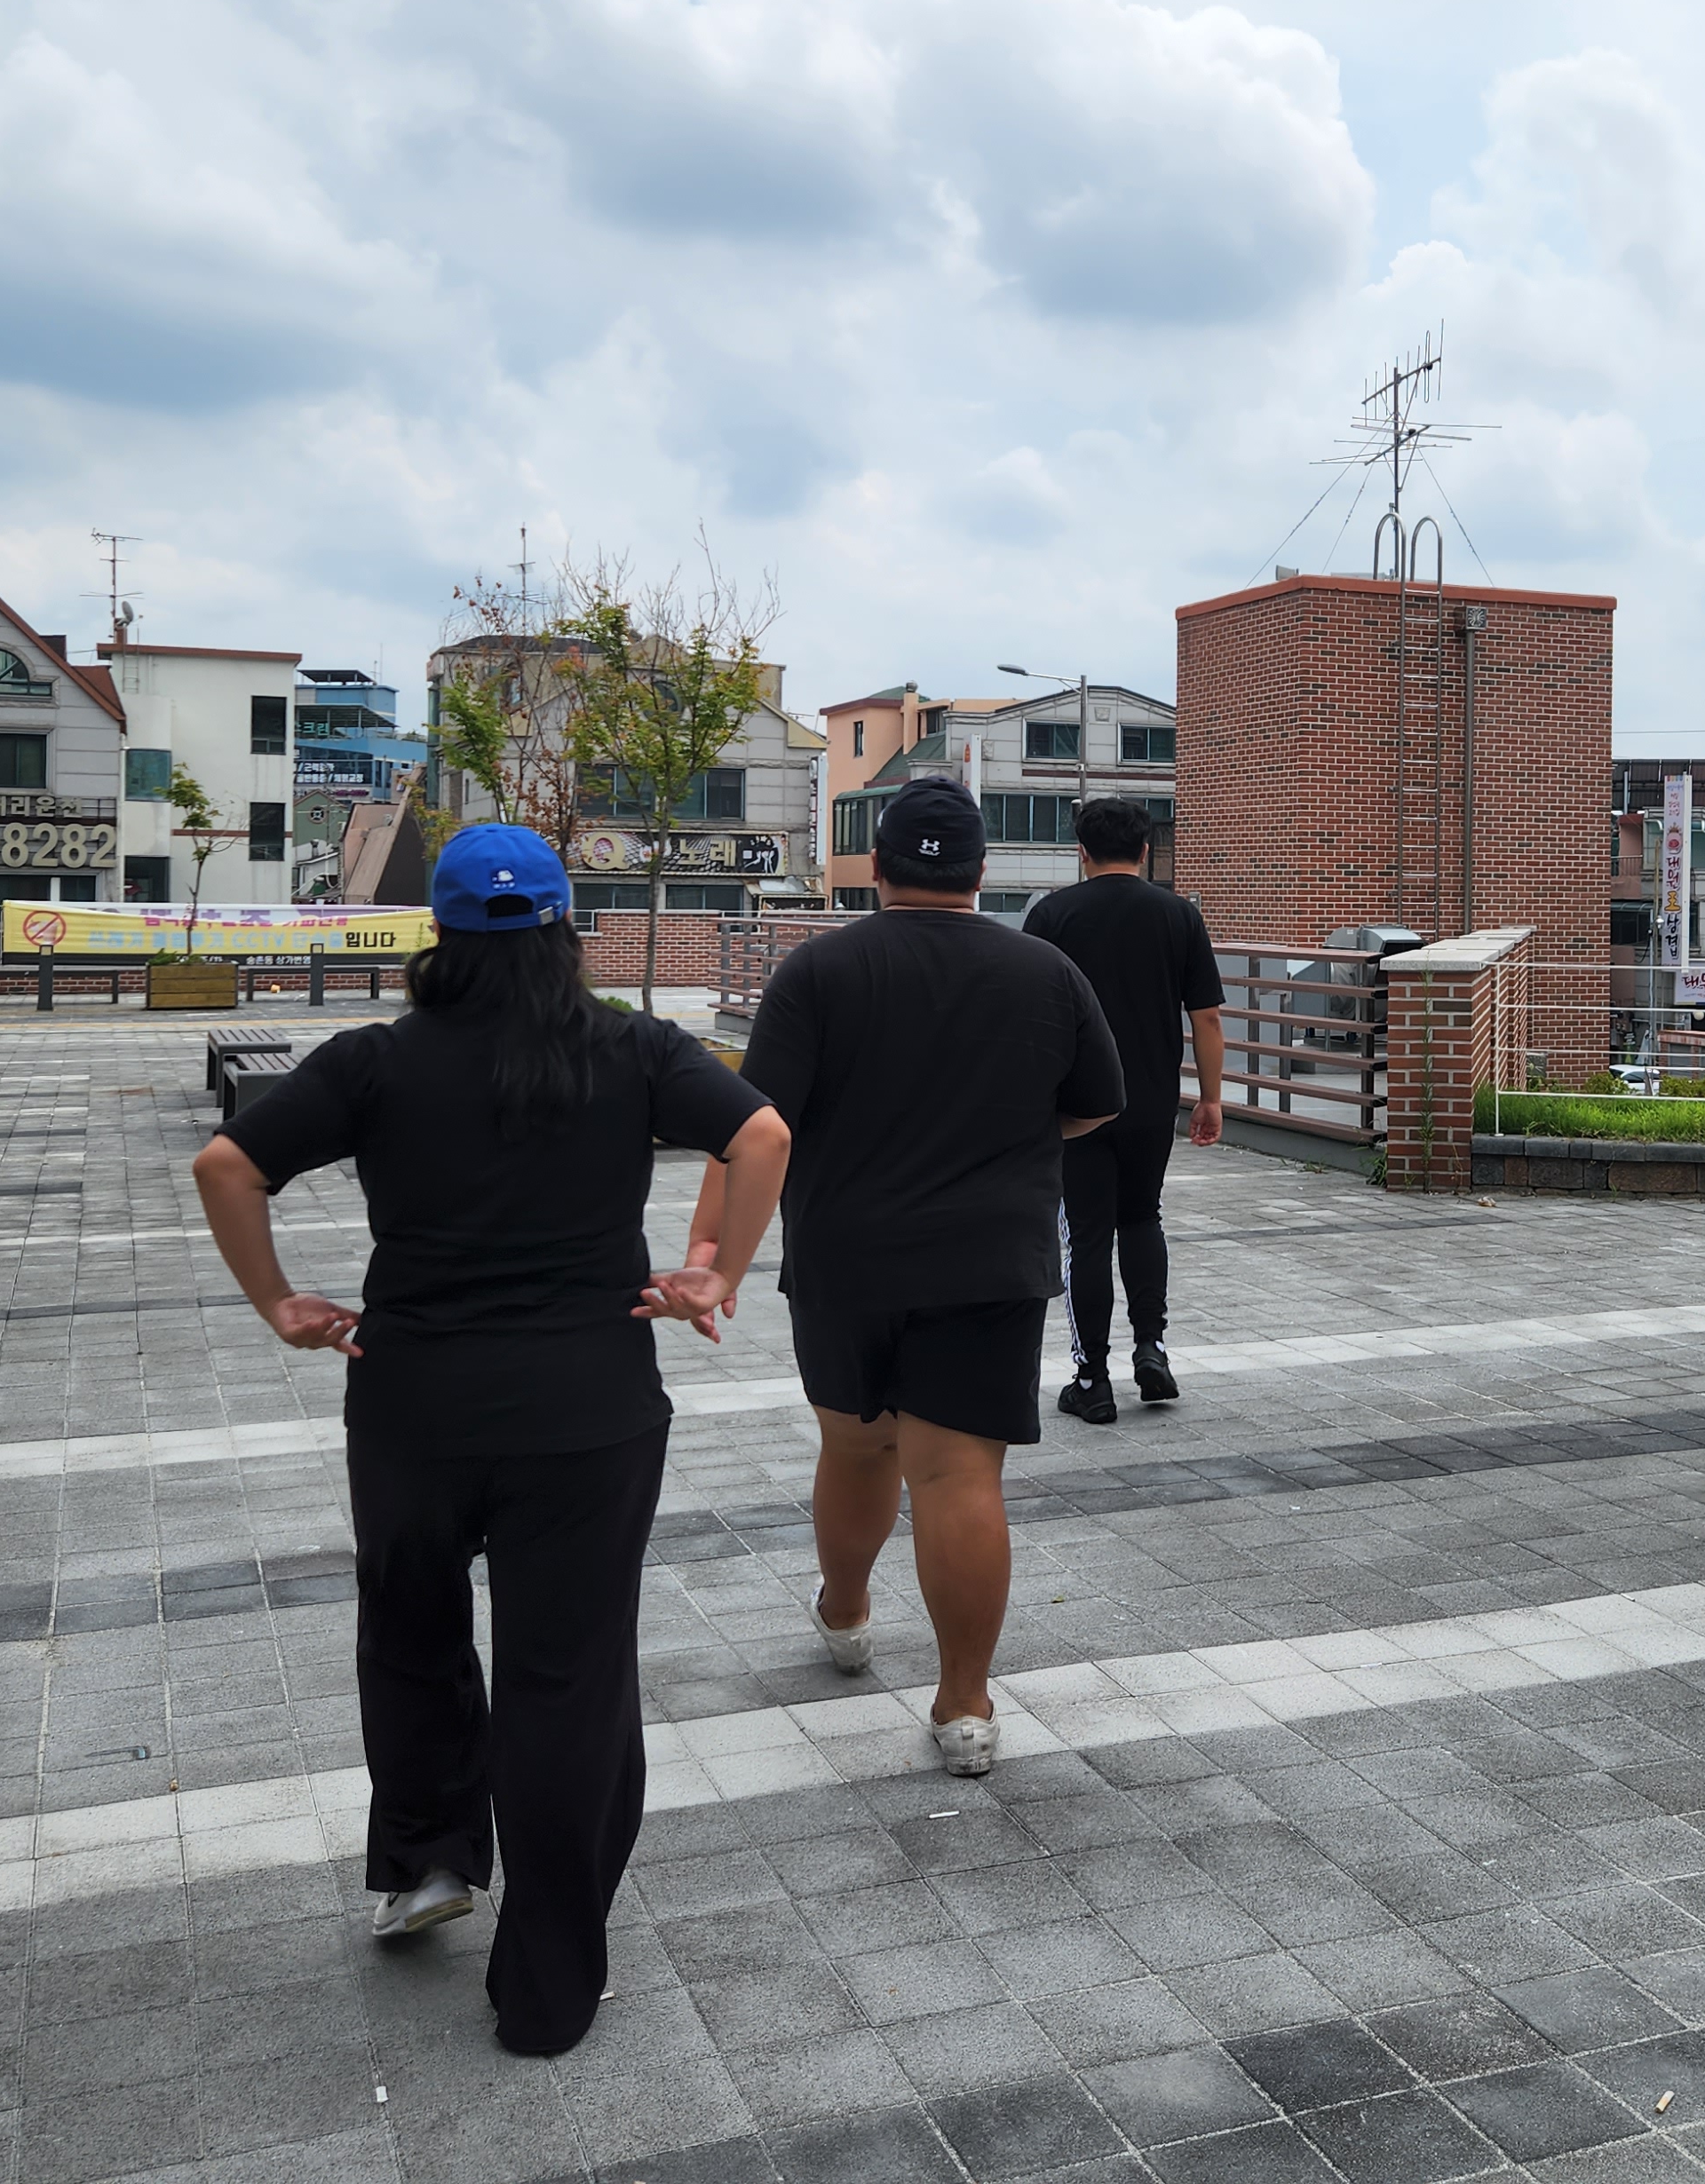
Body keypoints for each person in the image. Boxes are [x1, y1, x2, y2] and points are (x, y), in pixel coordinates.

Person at [191, 824, 788, 2058]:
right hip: (588, 1411)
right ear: (565, 929)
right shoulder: (633, 1048)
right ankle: (547, 1990)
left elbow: (227, 1164)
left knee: (410, 1633)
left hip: (413, 1404)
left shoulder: (375, 1061)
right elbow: (762, 1136)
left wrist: (280, 1303)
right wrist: (713, 1273)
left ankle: (428, 1860)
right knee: (567, 1680)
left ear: (439, 937)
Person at [719, 773, 1124, 1775]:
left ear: (877, 867)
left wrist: (714, 1260)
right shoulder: (1046, 971)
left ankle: (847, 1614)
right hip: (989, 1257)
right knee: (958, 1474)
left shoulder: (819, 970)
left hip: (845, 1254)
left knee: (857, 1448)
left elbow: (759, 1125)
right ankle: (965, 1706)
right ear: (982, 870)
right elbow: (1094, 1105)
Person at [1019, 795, 1225, 1422]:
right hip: (1151, 1101)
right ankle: (1151, 1348)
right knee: (1142, 1217)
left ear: (1081, 851)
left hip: (1075, 1107)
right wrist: (1210, 1097)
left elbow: (1028, 1017)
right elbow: (1207, 1018)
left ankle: (1092, 1380)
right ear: (1145, 849)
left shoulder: (1052, 915)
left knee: (1086, 1235)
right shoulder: (1179, 915)